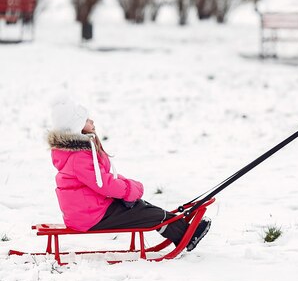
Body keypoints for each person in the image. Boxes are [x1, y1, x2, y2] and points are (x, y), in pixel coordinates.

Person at [47, 95, 211, 252]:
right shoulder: (79, 156)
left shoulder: (75, 152)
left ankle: (182, 232)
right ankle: (185, 236)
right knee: (143, 212)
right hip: (91, 215)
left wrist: (128, 187)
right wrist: (130, 190)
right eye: (87, 119)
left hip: (88, 211)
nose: (92, 121)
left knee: (139, 206)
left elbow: (103, 178)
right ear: (78, 126)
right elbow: (103, 184)